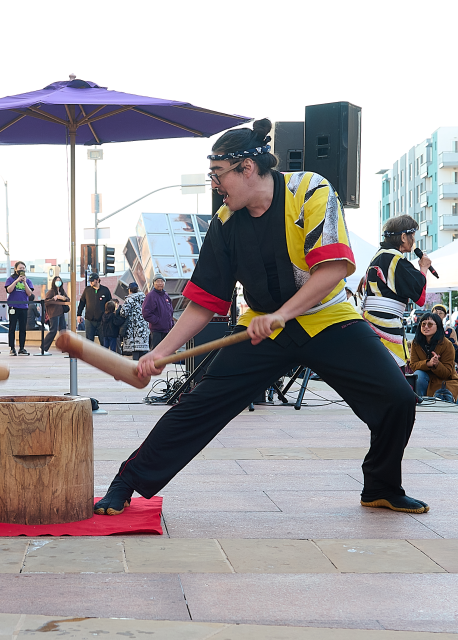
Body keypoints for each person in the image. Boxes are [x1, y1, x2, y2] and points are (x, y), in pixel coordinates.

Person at [94, 118, 429, 518]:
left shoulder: (311, 190)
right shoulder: (224, 222)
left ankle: (382, 486)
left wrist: (284, 315)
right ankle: (125, 484)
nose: (215, 185)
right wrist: (160, 354)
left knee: (397, 399)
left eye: (219, 175)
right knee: (198, 406)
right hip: (262, 327)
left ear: (247, 169)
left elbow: (334, 268)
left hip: (327, 318)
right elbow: (204, 301)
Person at [360, 215, 430, 367]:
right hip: (386, 323)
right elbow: (420, 297)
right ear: (404, 237)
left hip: (371, 320)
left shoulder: (378, 256)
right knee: (391, 373)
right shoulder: (395, 259)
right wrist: (423, 268)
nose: (414, 240)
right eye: (412, 236)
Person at [410, 313, 458, 401]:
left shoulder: (447, 344)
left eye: (430, 324)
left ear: (438, 326)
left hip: (444, 381)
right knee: (418, 374)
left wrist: (437, 364)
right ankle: (420, 402)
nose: (426, 327)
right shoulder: (415, 343)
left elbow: (447, 373)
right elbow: (413, 365)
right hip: (424, 378)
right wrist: (428, 363)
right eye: (423, 324)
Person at [5, 261, 35, 355]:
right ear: (15, 269)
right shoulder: (11, 279)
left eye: (23, 268)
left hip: (23, 307)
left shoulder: (28, 281)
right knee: (12, 327)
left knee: (22, 328)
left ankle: (22, 348)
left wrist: (24, 282)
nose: (22, 270)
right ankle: (12, 348)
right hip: (13, 306)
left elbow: (29, 293)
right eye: (20, 268)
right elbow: (9, 290)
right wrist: (17, 281)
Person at [118, 282, 150, 360]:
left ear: (129, 290)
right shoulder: (144, 298)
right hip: (143, 326)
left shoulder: (129, 299)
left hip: (133, 328)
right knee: (142, 351)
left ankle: (136, 366)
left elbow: (123, 312)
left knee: (135, 350)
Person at [76, 274, 110, 344]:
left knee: (103, 340)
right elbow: (82, 302)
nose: (91, 283)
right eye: (90, 281)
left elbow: (110, 304)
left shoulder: (105, 290)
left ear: (97, 280)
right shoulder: (87, 290)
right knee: (89, 341)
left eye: (92, 281)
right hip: (89, 319)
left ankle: (102, 354)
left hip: (101, 320)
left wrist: (108, 316)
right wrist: (79, 314)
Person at [142, 275, 174, 349]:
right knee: (156, 351)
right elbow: (146, 313)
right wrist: (157, 321)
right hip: (157, 330)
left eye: (162, 281)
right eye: (158, 281)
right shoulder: (151, 295)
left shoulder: (166, 295)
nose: (160, 283)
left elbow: (170, 311)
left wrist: (171, 323)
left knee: (166, 351)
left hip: (167, 329)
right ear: (153, 283)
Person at [41, 275, 70, 353]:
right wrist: (54, 298)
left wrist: (62, 297)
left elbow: (68, 299)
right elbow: (46, 302)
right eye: (57, 280)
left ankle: (64, 348)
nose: (58, 282)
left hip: (61, 313)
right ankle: (44, 347)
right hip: (53, 313)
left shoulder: (62, 291)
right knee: (53, 330)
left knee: (63, 331)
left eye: (59, 280)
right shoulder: (51, 292)